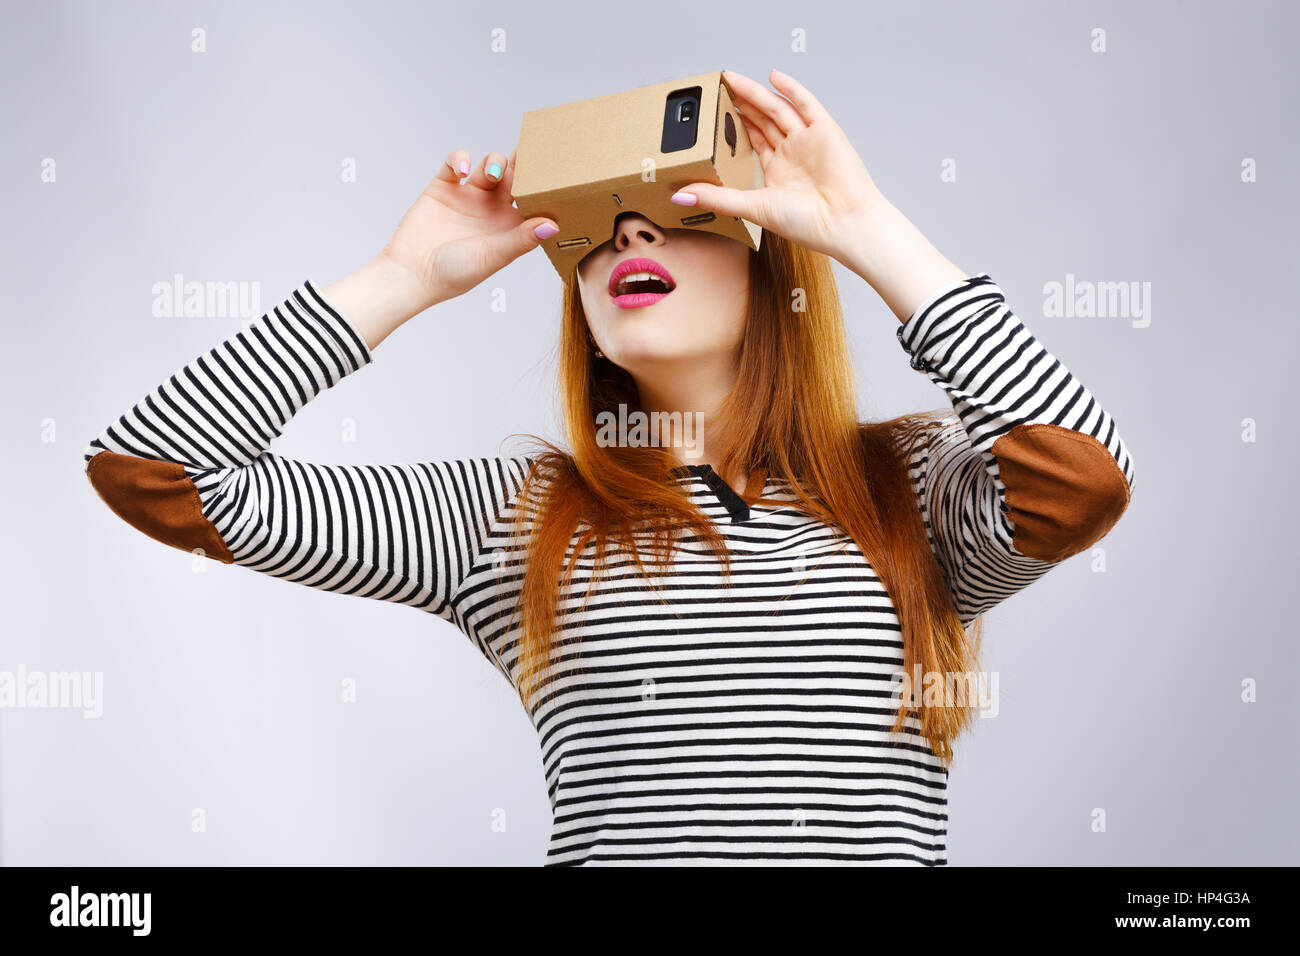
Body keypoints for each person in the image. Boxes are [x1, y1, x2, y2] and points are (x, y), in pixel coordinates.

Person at [83, 68, 1135, 865]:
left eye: (682, 213)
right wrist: (400, 278)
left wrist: (867, 231)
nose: (629, 229)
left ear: (771, 259)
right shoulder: (507, 514)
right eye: (596, 228)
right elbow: (154, 470)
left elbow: (1078, 481)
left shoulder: (911, 486)